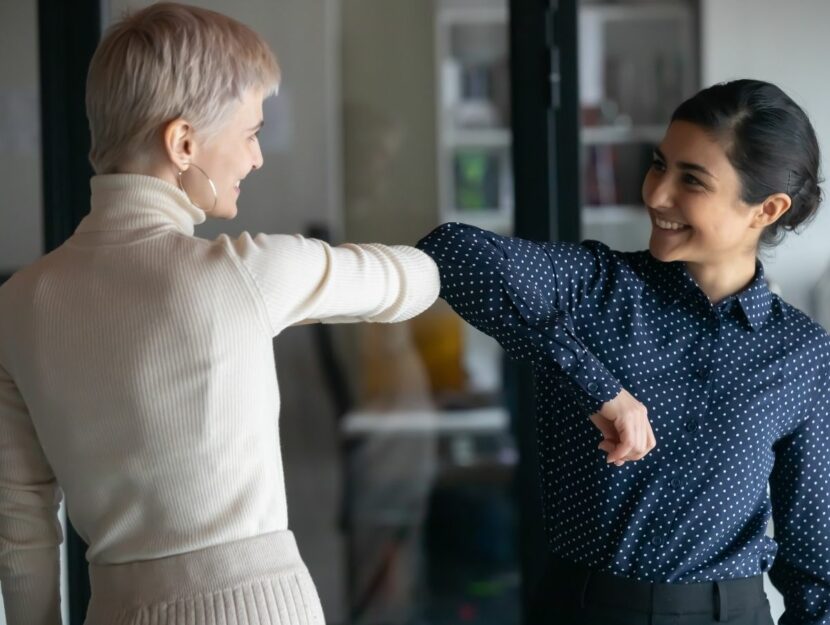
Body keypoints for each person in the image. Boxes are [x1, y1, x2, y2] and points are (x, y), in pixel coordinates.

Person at [0, 4, 439, 624]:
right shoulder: (244, 272)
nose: (256, 158)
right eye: (252, 132)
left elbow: (21, 519)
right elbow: (414, 282)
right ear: (183, 143)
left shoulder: (18, 304)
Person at [417, 79, 829, 625]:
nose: (656, 194)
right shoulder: (595, 288)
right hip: (584, 609)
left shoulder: (801, 353)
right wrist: (598, 387)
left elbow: (814, 561)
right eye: (659, 165)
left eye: (692, 180)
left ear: (766, 209)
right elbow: (451, 251)